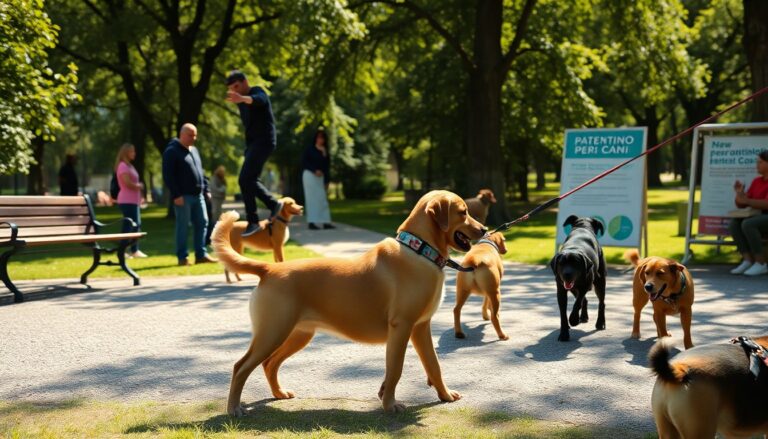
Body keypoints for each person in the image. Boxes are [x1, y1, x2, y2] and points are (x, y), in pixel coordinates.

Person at [225, 70, 283, 237]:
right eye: (232, 89)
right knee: (247, 181)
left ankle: (255, 219)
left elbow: (260, 100)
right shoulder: (240, 102)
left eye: (236, 87)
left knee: (245, 178)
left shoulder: (257, 91)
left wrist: (243, 99)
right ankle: (272, 206)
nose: (235, 92)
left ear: (244, 82)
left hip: (265, 141)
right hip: (253, 145)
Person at [161, 123, 217, 266]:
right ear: (182, 134)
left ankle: (201, 254)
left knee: (203, 223)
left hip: (198, 195)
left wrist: (206, 190)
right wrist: (176, 194)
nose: (194, 138)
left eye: (195, 135)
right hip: (183, 196)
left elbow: (200, 172)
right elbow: (168, 175)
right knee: (183, 226)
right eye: (190, 135)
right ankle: (182, 257)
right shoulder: (172, 151)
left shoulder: (194, 150)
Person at [729, 149, 768, 276]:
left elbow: (766, 203)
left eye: (760, 162)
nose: (757, 165)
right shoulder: (757, 181)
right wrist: (739, 193)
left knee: (748, 224)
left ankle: (761, 263)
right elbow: (742, 204)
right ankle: (747, 260)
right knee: (734, 224)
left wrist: (746, 199)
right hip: (759, 217)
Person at [114, 143, 147, 258]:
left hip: (134, 200)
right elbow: (127, 183)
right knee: (130, 225)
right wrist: (139, 186)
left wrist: (140, 194)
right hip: (126, 200)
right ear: (126, 153)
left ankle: (133, 250)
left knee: (135, 225)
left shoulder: (130, 166)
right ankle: (125, 251)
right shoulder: (122, 166)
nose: (134, 154)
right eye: (132, 151)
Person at [302, 127, 335, 230]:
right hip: (309, 176)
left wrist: (327, 181)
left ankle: (326, 222)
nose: (321, 140)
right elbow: (304, 162)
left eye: (322, 138)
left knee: (322, 199)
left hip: (321, 178)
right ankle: (312, 222)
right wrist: (314, 170)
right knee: (311, 200)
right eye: (319, 138)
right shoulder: (310, 149)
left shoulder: (325, 151)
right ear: (315, 138)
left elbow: (327, 167)